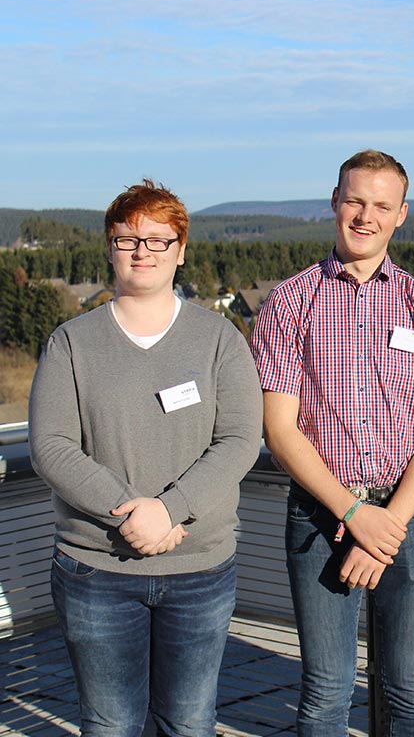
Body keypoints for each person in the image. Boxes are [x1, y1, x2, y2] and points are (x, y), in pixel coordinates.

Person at [29, 180, 263, 737]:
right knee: (110, 725)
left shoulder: (218, 340)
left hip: (199, 569)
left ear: (181, 250)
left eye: (158, 240)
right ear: (109, 248)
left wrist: (170, 509)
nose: (142, 251)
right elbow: (51, 446)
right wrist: (131, 511)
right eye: (127, 238)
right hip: (96, 570)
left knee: (189, 723)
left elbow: (238, 439)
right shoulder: (71, 343)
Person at [251, 149, 414, 736]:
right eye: (354, 201)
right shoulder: (290, 303)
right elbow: (280, 429)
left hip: (407, 516)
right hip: (321, 515)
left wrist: (383, 526)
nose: (365, 216)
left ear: (402, 215)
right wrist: (353, 513)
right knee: (325, 691)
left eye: (381, 205)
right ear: (334, 203)